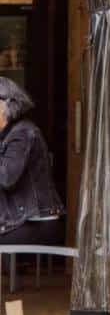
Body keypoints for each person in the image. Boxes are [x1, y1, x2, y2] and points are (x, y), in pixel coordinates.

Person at [0, 77, 64, 250]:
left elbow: (6, 177)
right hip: (18, 220)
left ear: (5, 106)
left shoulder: (23, 133)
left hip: (37, 223)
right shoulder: (7, 135)